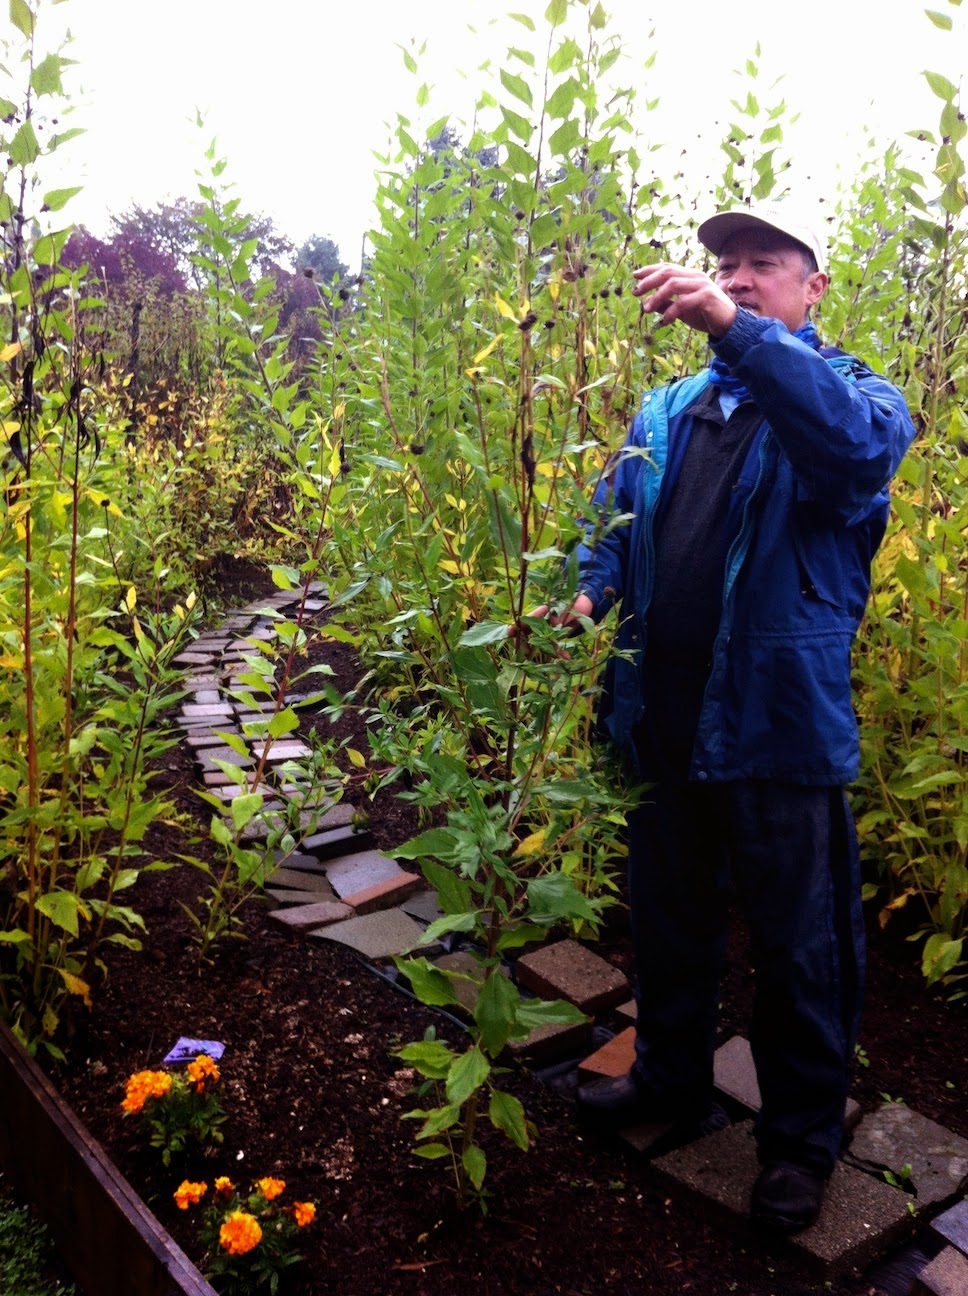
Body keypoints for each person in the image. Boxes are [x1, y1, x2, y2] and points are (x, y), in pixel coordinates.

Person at [561, 202, 916, 1234]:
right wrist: (588, 593)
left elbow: (852, 461)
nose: (739, 276)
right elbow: (612, 520)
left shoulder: (854, 401)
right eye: (724, 264)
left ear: (811, 291)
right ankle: (670, 1077)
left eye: (764, 264)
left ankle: (799, 1145)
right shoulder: (668, 410)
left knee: (798, 947)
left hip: (776, 727)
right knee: (666, 919)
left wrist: (735, 330)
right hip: (658, 716)